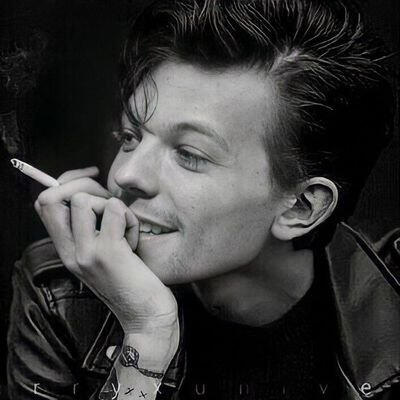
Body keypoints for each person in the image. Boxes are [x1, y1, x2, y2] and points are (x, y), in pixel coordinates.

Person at [7, 0, 400, 399]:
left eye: (189, 154)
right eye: (131, 137)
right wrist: (147, 336)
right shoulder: (61, 295)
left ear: (302, 206)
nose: (126, 174)